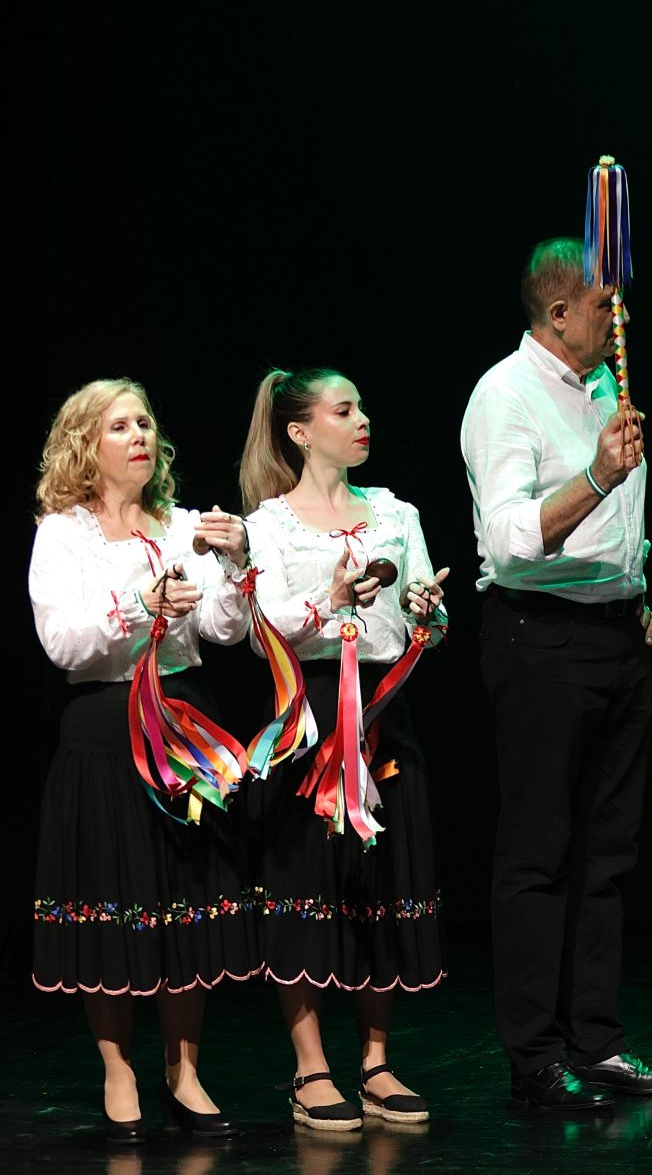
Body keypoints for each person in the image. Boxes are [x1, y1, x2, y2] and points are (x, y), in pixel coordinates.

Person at [460, 237, 652, 1109]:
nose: (619, 318)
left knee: (609, 856)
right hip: (539, 637)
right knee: (538, 856)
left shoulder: (606, 387)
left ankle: (598, 1042)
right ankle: (534, 1059)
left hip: (611, 637)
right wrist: (599, 474)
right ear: (558, 314)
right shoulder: (505, 395)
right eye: (605, 306)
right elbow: (511, 542)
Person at [29, 378, 254, 1143]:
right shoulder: (63, 532)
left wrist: (237, 564)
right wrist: (140, 608)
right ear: (85, 444)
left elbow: (224, 629)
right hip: (106, 728)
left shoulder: (183, 523)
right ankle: (118, 1068)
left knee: (184, 900)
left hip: (185, 720)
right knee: (115, 899)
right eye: (118, 425)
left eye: (145, 422)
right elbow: (62, 642)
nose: (138, 435)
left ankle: (183, 1070)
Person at [237, 367, 450, 1130]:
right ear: (299, 431)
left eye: (362, 406)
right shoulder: (269, 524)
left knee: (376, 880)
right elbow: (261, 633)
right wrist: (330, 599)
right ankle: (309, 1067)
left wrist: (428, 609)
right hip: (311, 711)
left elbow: (430, 615)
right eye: (344, 409)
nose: (362, 419)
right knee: (306, 880)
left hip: (385, 707)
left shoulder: (396, 512)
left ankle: (376, 1060)